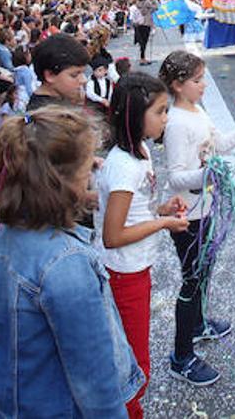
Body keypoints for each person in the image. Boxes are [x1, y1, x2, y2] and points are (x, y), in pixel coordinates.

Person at [0, 107, 145, 416]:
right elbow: (94, 375)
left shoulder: (1, 240)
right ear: (60, 183)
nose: (94, 171)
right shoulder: (67, 263)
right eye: (87, 171)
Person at [160, 50, 235, 386]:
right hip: (186, 216)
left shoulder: (196, 109)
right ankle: (181, 356)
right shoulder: (176, 123)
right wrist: (209, 175)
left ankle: (198, 325)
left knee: (204, 272)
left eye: (203, 78)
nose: (203, 85)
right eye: (197, 81)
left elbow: (219, 145)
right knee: (192, 281)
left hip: (204, 210)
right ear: (178, 86)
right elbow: (176, 177)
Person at [96, 74, 190, 419]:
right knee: (135, 362)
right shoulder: (123, 167)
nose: (167, 118)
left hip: (136, 268)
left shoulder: (141, 151)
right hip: (124, 272)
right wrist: (165, 223)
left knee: (134, 356)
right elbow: (114, 236)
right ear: (137, 115)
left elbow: (136, 211)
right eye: (161, 111)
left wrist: (161, 209)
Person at [27, 34, 89, 111]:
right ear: (50, 75)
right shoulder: (46, 117)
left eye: (83, 73)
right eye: (74, 75)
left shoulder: (61, 102)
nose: (83, 80)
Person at [130, 0, 155, 66]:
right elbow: (155, 8)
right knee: (144, 42)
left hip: (137, 25)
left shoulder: (134, 7)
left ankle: (142, 57)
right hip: (145, 24)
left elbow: (132, 18)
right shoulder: (147, 4)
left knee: (142, 42)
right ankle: (142, 58)